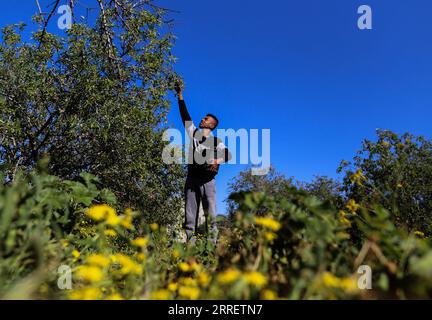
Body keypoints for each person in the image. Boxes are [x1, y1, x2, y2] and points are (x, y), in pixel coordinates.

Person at [175, 83, 232, 245]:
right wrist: (180, 95)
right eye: (203, 117)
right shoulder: (194, 133)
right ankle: (191, 248)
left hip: (208, 181)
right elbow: (185, 116)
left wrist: (217, 160)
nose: (202, 119)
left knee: (211, 216)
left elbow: (228, 154)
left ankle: (211, 248)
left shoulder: (216, 141)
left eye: (206, 119)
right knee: (190, 216)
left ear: (211, 125)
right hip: (192, 179)